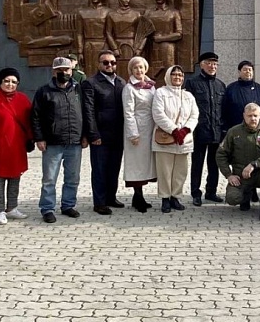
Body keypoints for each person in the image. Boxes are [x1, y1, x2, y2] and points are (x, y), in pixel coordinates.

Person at [32, 57, 87, 223]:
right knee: (49, 179)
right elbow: (35, 117)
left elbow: (86, 114)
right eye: (60, 70)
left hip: (75, 141)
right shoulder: (44, 91)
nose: (64, 73)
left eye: (67, 70)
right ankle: (47, 208)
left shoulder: (79, 90)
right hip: (52, 142)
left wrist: (85, 135)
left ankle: (68, 205)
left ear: (72, 71)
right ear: (53, 71)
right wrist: (39, 138)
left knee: (73, 177)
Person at [0, 68, 33, 225]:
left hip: (17, 145)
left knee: (15, 177)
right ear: (0, 82)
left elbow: (29, 121)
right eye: (7, 81)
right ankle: (0, 210)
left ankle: (12, 207)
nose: (10, 84)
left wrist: (31, 138)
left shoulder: (23, 99)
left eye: (14, 82)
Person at [216, 103, 260, 221]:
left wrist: (254, 164)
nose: (253, 119)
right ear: (244, 116)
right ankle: (245, 196)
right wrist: (229, 175)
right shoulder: (234, 132)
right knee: (232, 198)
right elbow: (221, 154)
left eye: (255, 115)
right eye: (249, 116)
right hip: (241, 176)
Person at [82, 50, 126, 215]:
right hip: (100, 135)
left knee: (114, 168)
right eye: (105, 62)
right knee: (100, 170)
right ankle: (99, 202)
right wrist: (93, 134)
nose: (109, 65)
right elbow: (88, 111)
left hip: (118, 135)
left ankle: (110, 197)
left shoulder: (121, 82)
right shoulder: (90, 83)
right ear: (99, 64)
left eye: (112, 62)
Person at [152, 65, 199, 213]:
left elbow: (194, 115)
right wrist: (173, 130)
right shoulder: (161, 93)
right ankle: (165, 198)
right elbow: (158, 114)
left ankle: (175, 197)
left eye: (180, 75)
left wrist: (185, 130)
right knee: (165, 170)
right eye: (174, 75)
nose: (178, 77)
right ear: (168, 76)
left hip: (184, 140)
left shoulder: (188, 96)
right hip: (165, 138)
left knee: (180, 171)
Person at [184, 52, 227, 206]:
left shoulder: (221, 85)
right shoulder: (192, 83)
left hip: (216, 131)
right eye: (209, 63)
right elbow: (187, 109)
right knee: (197, 164)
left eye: (215, 64)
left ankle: (211, 191)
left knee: (214, 164)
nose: (212, 66)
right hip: (199, 132)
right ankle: (196, 193)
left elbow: (224, 110)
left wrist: (224, 131)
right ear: (202, 64)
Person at [122, 56, 157, 213]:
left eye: (141, 67)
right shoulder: (129, 88)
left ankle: (139, 197)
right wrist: (133, 134)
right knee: (136, 164)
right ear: (131, 70)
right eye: (135, 68)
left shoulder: (150, 86)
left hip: (150, 129)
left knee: (146, 163)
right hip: (137, 130)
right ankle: (138, 196)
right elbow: (128, 113)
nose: (139, 70)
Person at [222, 60, 260, 133]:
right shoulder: (231, 88)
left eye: (250, 70)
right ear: (239, 72)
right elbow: (224, 110)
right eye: (245, 70)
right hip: (235, 129)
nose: (248, 72)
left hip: (256, 130)